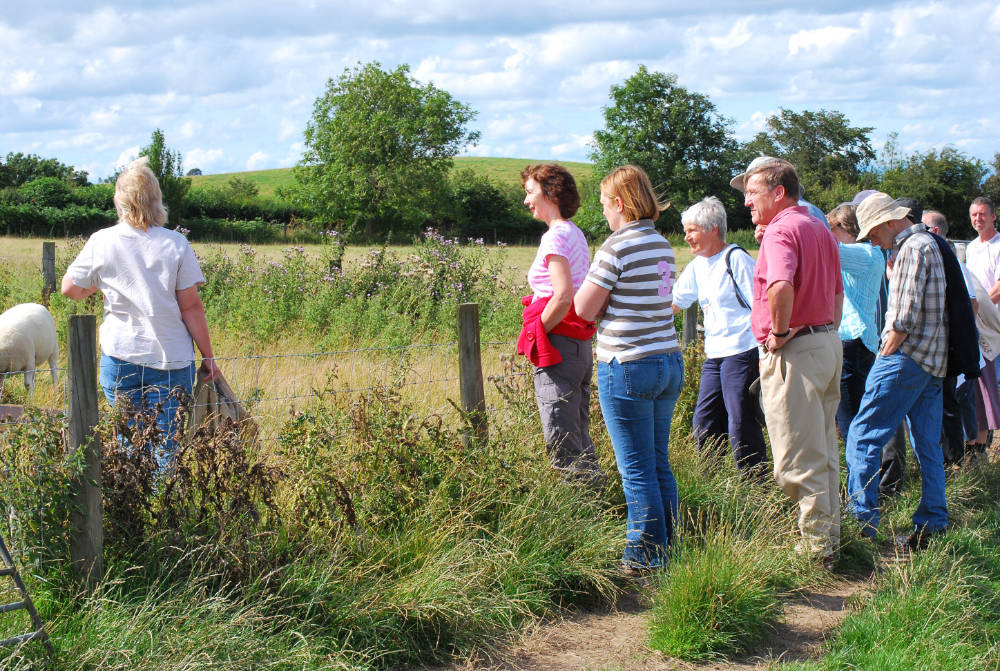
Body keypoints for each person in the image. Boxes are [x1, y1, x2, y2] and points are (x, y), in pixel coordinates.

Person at [61, 157, 220, 469]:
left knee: (128, 444)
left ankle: (131, 510)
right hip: (171, 360)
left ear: (120, 201)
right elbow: (191, 308)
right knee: (167, 447)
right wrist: (209, 358)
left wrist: (107, 282)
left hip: (121, 357)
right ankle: (161, 514)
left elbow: (71, 289)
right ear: (156, 199)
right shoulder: (176, 243)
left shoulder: (102, 240)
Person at [734, 157, 844, 565]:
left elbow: (780, 285)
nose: (747, 202)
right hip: (826, 342)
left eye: (752, 192)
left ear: (778, 192)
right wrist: (824, 329)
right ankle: (829, 539)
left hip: (795, 351)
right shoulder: (817, 226)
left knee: (796, 456)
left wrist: (778, 333)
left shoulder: (781, 230)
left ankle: (816, 550)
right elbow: (835, 292)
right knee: (823, 448)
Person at [575, 165, 683, 573]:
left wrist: (601, 304)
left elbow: (584, 308)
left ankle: (643, 557)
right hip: (667, 359)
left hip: (628, 364)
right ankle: (670, 548)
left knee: (635, 470)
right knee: (657, 462)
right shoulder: (660, 244)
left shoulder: (615, 247)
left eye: (604, 204)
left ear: (619, 203)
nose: (603, 212)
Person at [846, 193, 949, 551]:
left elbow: (902, 316)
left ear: (891, 221)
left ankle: (861, 526)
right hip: (931, 362)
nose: (872, 240)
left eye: (873, 231)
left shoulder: (910, 249)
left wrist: (885, 355)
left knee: (862, 435)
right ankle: (934, 522)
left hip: (904, 358)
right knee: (927, 446)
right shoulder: (930, 243)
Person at [517, 163, 604, 482]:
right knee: (578, 432)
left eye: (530, 192)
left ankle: (579, 514)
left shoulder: (555, 237)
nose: (527, 201)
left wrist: (537, 333)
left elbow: (563, 295)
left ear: (551, 193)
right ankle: (596, 501)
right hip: (579, 344)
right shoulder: (575, 233)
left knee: (562, 438)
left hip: (560, 345)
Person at [671, 196, 767, 474]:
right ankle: (711, 478)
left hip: (742, 351)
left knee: (740, 421)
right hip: (715, 355)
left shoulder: (735, 259)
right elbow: (676, 302)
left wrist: (764, 356)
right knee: (704, 419)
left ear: (713, 228)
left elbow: (760, 309)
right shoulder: (699, 265)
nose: (686, 237)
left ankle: (753, 483)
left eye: (691, 230)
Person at [926, 208, 1000, 462]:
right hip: (970, 330)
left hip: (986, 330)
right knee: (972, 396)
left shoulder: (992, 248)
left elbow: (976, 299)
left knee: (981, 395)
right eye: (973, 214)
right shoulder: (970, 249)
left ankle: (975, 453)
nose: (977, 218)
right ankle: (970, 452)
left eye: (982, 214)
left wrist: (968, 324)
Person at [827, 204, 885, 442]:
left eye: (832, 228)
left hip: (852, 342)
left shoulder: (864, 254)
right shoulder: (866, 254)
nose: (829, 233)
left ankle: (862, 478)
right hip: (858, 342)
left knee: (852, 424)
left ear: (844, 227)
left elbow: (829, 249)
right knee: (853, 420)